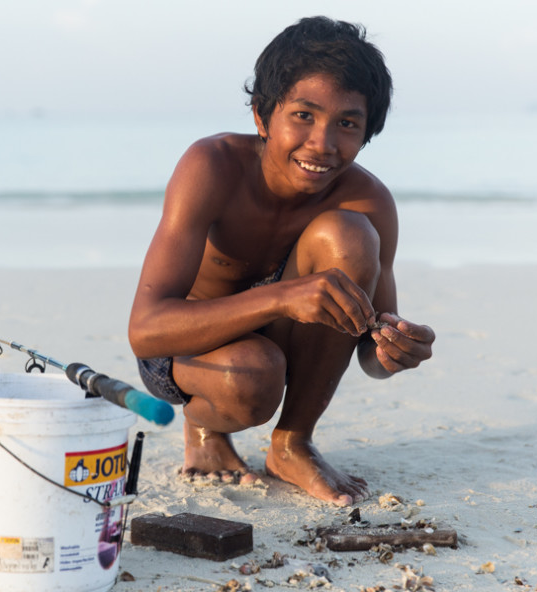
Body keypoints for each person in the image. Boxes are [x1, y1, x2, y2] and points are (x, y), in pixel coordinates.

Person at [128, 16, 435, 506]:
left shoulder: (369, 201)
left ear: (367, 133)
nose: (322, 143)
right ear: (262, 114)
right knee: (254, 375)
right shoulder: (212, 167)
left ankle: (292, 442)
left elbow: (368, 352)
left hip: (285, 348)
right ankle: (203, 427)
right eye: (304, 115)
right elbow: (146, 331)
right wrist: (283, 297)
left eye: (347, 124)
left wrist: (394, 352)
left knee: (348, 236)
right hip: (186, 351)